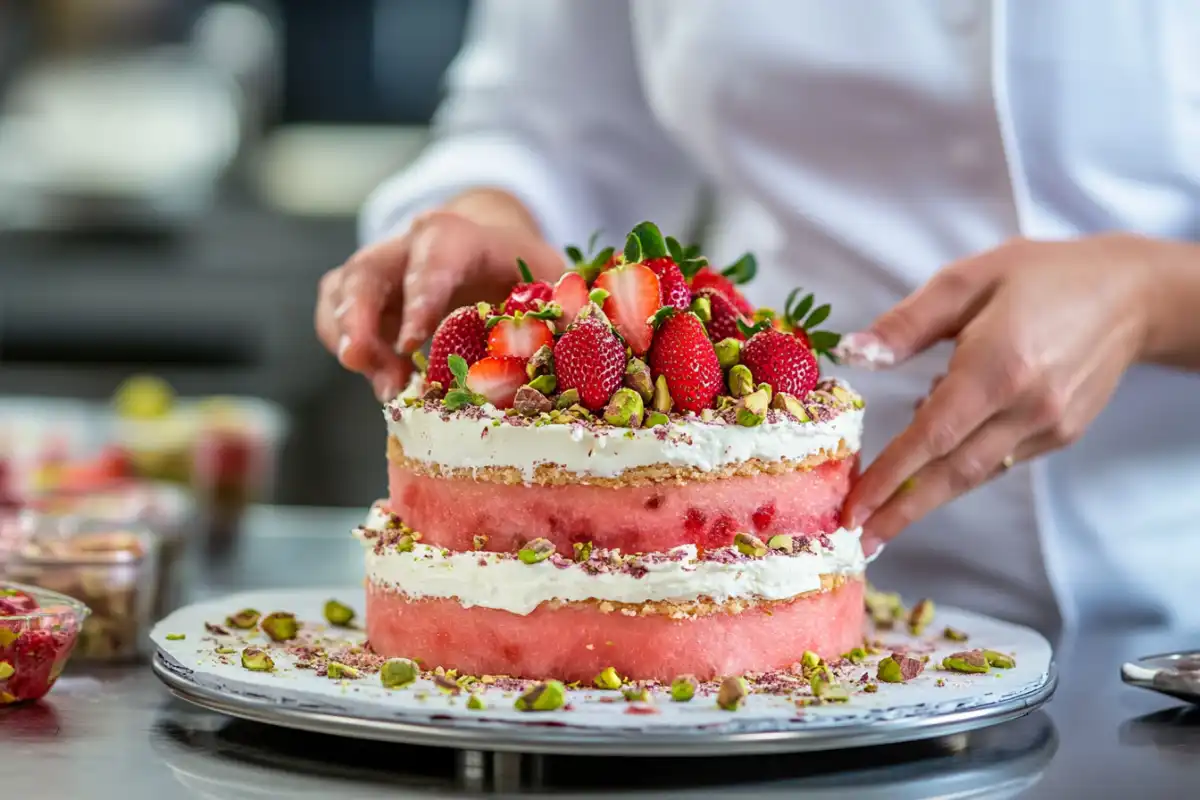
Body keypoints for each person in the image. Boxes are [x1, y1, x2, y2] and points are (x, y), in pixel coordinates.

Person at [315, 1, 1200, 636]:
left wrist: (1149, 297)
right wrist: (494, 213)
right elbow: (546, 121)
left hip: (1173, 606)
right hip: (739, 652)